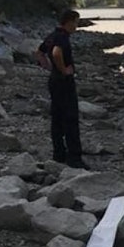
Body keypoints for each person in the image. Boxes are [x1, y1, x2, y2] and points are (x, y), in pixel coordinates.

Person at [38, 10, 88, 169]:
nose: (76, 26)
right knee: (71, 118)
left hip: (53, 81)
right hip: (64, 81)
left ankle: (59, 154)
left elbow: (39, 52)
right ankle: (74, 157)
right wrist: (63, 69)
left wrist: (48, 66)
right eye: (76, 22)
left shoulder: (52, 35)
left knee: (57, 118)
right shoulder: (63, 37)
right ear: (69, 22)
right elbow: (56, 52)